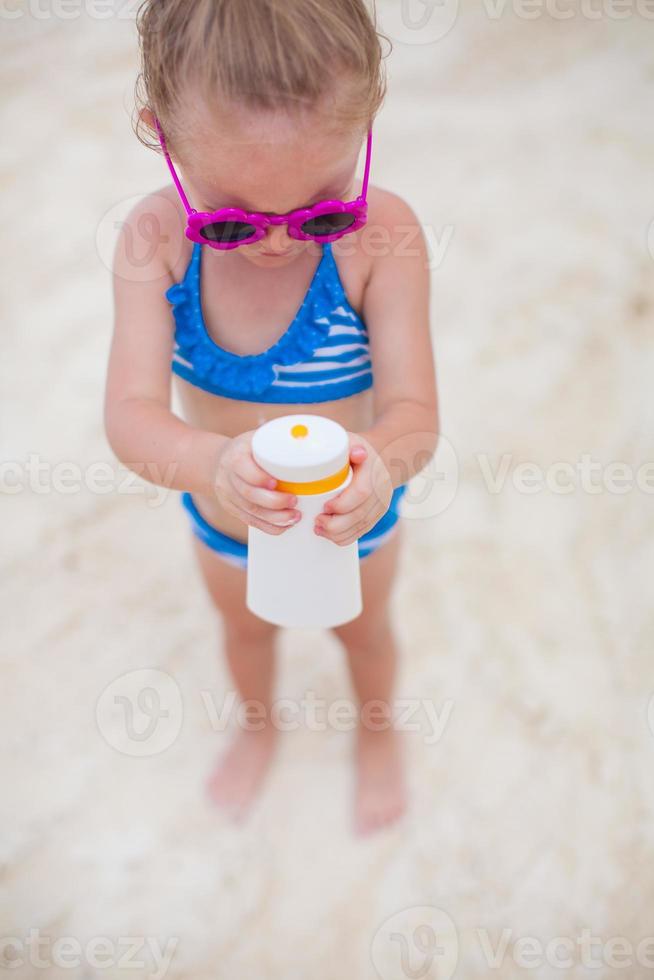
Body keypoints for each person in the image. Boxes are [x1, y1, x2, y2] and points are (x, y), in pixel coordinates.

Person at [104, 0, 439, 835]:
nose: (278, 242)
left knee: (366, 638)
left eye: (325, 206)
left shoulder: (383, 238)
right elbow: (131, 414)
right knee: (245, 636)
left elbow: (415, 415)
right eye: (231, 217)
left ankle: (379, 733)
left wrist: (381, 463)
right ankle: (259, 730)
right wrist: (209, 466)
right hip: (226, 520)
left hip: (352, 522)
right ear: (161, 136)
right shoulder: (156, 240)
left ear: (368, 125)